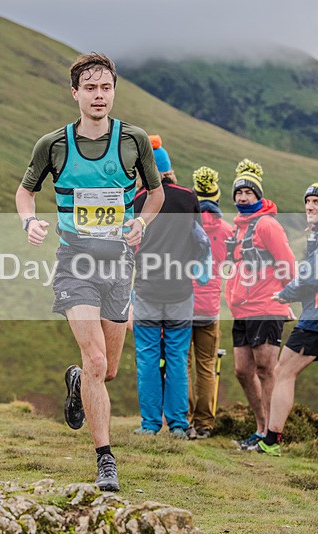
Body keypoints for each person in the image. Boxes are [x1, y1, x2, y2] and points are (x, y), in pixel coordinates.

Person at [15, 53, 164, 491]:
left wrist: (140, 222)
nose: (99, 95)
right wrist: (30, 220)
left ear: (113, 91)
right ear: (76, 92)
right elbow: (25, 193)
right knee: (97, 359)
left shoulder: (133, 141)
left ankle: (78, 381)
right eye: (90, 88)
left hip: (119, 265)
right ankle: (105, 460)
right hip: (75, 264)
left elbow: (154, 196)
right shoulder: (53, 145)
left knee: (106, 370)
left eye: (106, 88)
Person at [255, 172, 318, 459]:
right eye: (308, 201)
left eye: (317, 202)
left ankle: (271, 440)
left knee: (283, 372)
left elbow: (313, 274)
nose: (310, 206)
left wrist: (286, 294)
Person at [132, 135, 201, 439]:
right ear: (169, 169)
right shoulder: (188, 197)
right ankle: (178, 424)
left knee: (147, 357)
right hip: (181, 291)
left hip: (147, 290)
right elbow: (199, 241)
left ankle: (149, 425)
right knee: (176, 356)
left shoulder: (137, 201)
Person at [224, 159, 295, 450]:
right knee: (242, 370)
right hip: (242, 308)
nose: (242, 198)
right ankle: (260, 426)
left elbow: (288, 264)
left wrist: (285, 294)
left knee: (267, 369)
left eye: (248, 193)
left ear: (259, 196)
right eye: (238, 193)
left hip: (267, 306)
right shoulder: (238, 228)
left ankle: (271, 435)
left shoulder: (267, 225)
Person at [186, 166, 233, 439]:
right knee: (206, 366)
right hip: (209, 307)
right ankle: (204, 423)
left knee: (182, 363)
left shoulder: (185, 225)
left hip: (182, 302)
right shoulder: (226, 230)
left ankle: (183, 420)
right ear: (216, 199)